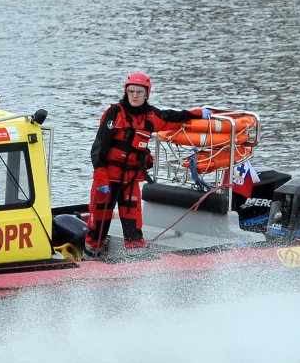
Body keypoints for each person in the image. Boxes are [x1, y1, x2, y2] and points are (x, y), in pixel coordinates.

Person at [85, 72, 211, 254]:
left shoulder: (151, 116)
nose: (135, 96)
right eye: (131, 91)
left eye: (139, 92)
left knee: (133, 218)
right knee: (99, 218)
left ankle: (136, 255)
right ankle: (91, 252)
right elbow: (99, 147)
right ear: (126, 92)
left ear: (147, 94)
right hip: (106, 179)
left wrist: (198, 114)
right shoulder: (115, 113)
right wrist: (101, 176)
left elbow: (172, 117)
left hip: (130, 180)